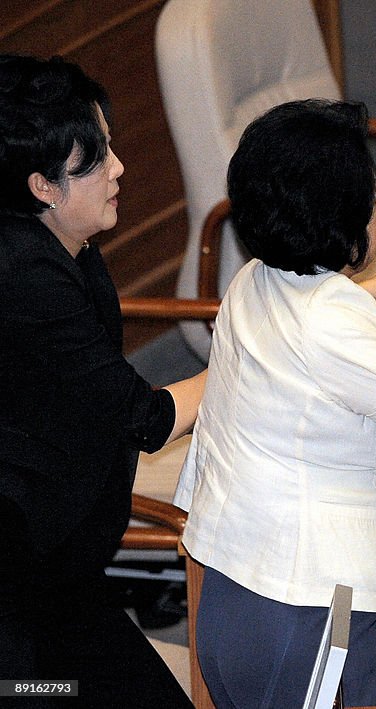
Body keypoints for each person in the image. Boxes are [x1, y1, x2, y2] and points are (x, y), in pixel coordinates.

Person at [172, 99, 376, 709]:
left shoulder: (251, 282)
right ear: (346, 216)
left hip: (238, 595)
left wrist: (374, 292)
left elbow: (305, 341)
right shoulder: (335, 322)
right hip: (314, 609)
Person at [0, 55, 205, 706]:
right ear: (42, 184)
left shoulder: (62, 239)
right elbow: (146, 418)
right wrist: (262, 355)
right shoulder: (27, 278)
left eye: (110, 145)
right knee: (44, 694)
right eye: (94, 160)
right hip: (17, 610)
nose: (118, 167)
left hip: (60, 573)